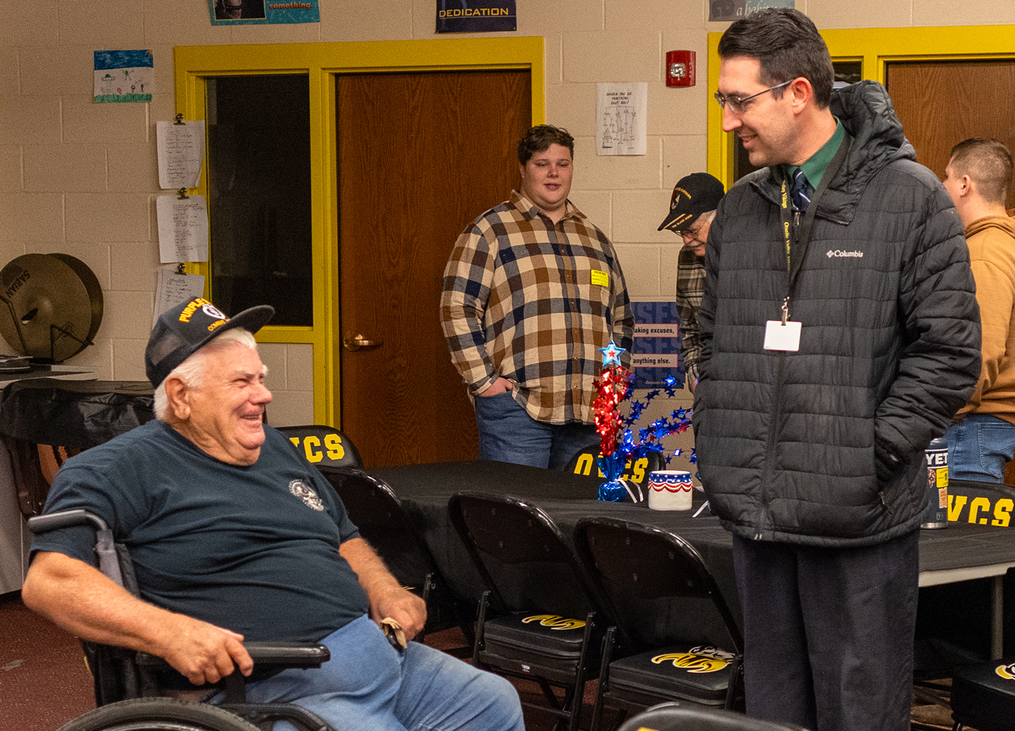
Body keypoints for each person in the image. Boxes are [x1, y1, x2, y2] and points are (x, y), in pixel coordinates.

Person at [22, 297, 525, 731]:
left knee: (492, 703)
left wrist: (385, 588)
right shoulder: (115, 469)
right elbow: (50, 582)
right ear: (181, 397)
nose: (262, 395)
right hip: (272, 689)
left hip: (381, 659)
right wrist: (169, 632)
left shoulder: (277, 449)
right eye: (242, 382)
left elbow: (342, 535)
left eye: (260, 379)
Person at [693, 9, 980, 731]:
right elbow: (712, 338)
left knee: (860, 712)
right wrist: (721, 440)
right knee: (773, 713)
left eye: (739, 100)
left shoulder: (912, 197)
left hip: (859, 519)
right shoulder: (739, 209)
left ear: (797, 93)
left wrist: (867, 454)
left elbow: (949, 354)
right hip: (758, 520)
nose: (727, 121)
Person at [440, 124, 633, 469]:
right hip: (517, 410)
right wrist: (484, 383)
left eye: (563, 163)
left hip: (589, 414)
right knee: (515, 517)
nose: (554, 173)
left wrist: (613, 383)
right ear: (523, 169)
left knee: (580, 517)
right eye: (542, 164)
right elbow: (457, 308)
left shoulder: (594, 238)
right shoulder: (490, 230)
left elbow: (620, 318)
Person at [941, 138, 1015, 482]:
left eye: (946, 176)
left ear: (964, 184)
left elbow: (979, 349)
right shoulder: (1008, 242)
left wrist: (943, 409)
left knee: (961, 535)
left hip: (971, 425)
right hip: (985, 424)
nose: (941, 185)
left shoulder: (985, 252)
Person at [656, 172, 725, 392]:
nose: (686, 239)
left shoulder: (751, 253)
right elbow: (689, 331)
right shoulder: (686, 258)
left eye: (692, 230)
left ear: (720, 217)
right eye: (681, 232)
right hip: (708, 389)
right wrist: (696, 378)